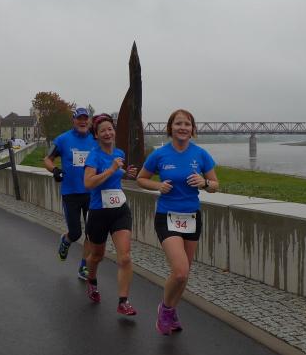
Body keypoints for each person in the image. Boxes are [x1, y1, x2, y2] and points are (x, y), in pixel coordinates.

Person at [135, 109, 219, 335]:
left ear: (193, 129)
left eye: (187, 124)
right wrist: (158, 186)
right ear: (170, 128)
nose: (183, 127)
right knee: (180, 271)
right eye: (178, 123)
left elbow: (215, 185)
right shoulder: (160, 154)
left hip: (192, 217)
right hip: (167, 216)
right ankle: (165, 308)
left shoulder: (200, 154)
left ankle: (171, 311)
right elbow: (141, 179)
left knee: (184, 275)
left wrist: (204, 183)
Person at [82, 113, 138, 314]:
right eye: (103, 130)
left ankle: (123, 301)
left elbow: (117, 175)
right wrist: (112, 169)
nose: (108, 133)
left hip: (119, 210)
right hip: (98, 212)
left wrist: (126, 173)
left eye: (110, 129)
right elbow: (88, 183)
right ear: (96, 135)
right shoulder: (93, 156)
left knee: (125, 257)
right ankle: (91, 280)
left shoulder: (119, 153)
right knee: (97, 255)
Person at [44, 107, 97, 280]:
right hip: (71, 193)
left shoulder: (95, 139)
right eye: (79, 118)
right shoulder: (62, 139)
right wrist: (55, 170)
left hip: (91, 193)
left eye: (85, 118)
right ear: (73, 120)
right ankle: (66, 241)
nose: (83, 121)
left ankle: (84, 266)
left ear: (89, 121)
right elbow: (47, 159)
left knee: (91, 233)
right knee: (76, 233)